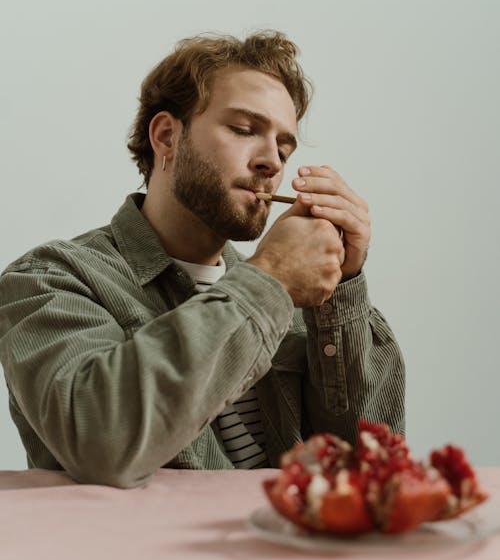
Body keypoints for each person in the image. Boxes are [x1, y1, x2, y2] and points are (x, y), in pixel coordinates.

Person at [0, 31, 405, 488]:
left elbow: (372, 472)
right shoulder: (49, 279)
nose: (272, 161)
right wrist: (268, 279)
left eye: (285, 147)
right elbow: (101, 445)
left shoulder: (295, 293)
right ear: (167, 136)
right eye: (244, 129)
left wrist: (343, 289)